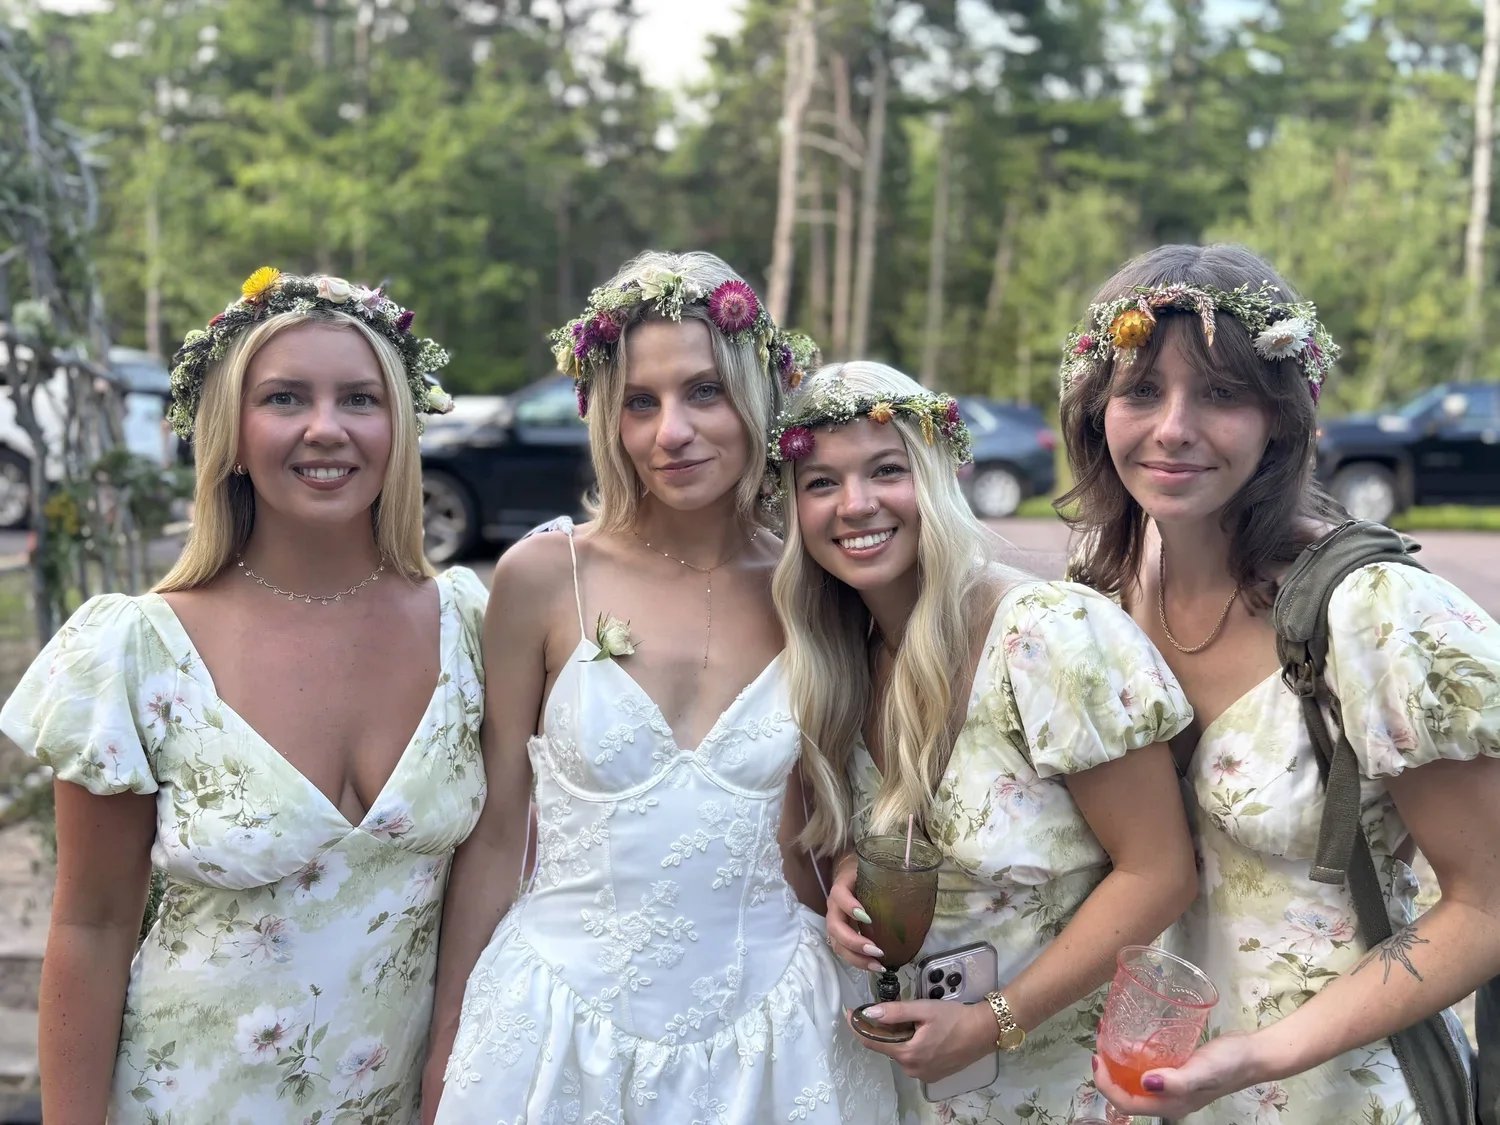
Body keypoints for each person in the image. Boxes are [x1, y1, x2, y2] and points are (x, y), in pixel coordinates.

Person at [0, 267, 487, 1121]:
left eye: (361, 400)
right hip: (186, 1097)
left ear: (401, 425)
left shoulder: (471, 624)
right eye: (285, 398)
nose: (326, 429)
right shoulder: (141, 647)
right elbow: (92, 926)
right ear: (229, 429)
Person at [424, 251, 897, 1123]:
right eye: (641, 401)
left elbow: (823, 816)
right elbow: (493, 835)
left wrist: (850, 870)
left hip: (773, 1042)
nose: (670, 432)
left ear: (757, 393)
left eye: (704, 392)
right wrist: (447, 1044)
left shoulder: (818, 581)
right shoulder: (543, 576)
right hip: (558, 1031)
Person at [1059, 243, 1500, 1123]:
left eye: (1220, 393)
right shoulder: (1093, 597)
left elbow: (1487, 903)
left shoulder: (1376, 615)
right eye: (1142, 390)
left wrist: (1261, 1054)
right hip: (1139, 1090)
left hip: (1333, 1093)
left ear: (1281, 416)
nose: (1173, 427)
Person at [770, 360, 1199, 1123]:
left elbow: (1161, 873)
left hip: (1064, 1088)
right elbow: (896, 827)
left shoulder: (1050, 636)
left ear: (936, 475)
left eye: (886, 470)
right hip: (914, 1092)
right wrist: (845, 875)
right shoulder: (848, 661)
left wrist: (995, 1019)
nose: (856, 505)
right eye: (821, 483)